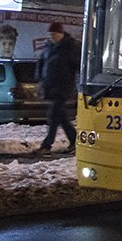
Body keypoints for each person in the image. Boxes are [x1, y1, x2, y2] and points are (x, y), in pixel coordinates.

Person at [38, 22, 79, 154]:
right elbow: (41, 64)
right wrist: (40, 81)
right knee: (60, 116)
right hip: (50, 86)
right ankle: (74, 140)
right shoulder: (48, 47)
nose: (52, 37)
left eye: (54, 34)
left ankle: (47, 145)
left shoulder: (70, 47)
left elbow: (77, 66)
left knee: (54, 115)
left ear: (61, 34)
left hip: (63, 87)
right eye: (50, 35)